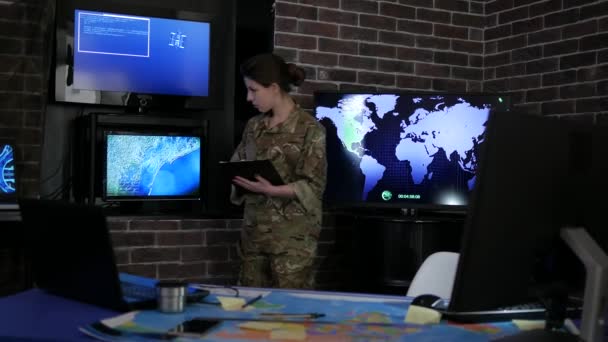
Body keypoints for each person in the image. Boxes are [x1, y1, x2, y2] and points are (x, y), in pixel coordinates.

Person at [229, 53, 327, 289]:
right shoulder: (254, 126)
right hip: (254, 239)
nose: (249, 97)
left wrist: (271, 190)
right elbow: (239, 164)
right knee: (250, 308)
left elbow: (314, 186)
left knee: (291, 312)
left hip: (291, 244)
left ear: (273, 88)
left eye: (254, 90)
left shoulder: (310, 130)